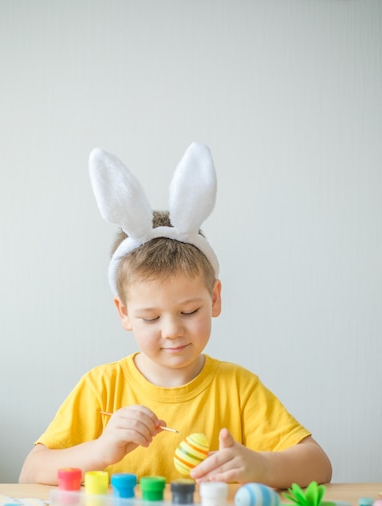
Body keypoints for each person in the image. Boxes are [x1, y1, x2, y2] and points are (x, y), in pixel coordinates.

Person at [19, 143, 332, 488]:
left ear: (214, 299)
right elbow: (30, 473)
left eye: (189, 311)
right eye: (150, 318)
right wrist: (100, 450)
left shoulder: (239, 389)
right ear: (124, 313)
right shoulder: (101, 388)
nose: (171, 331)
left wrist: (261, 466)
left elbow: (318, 465)